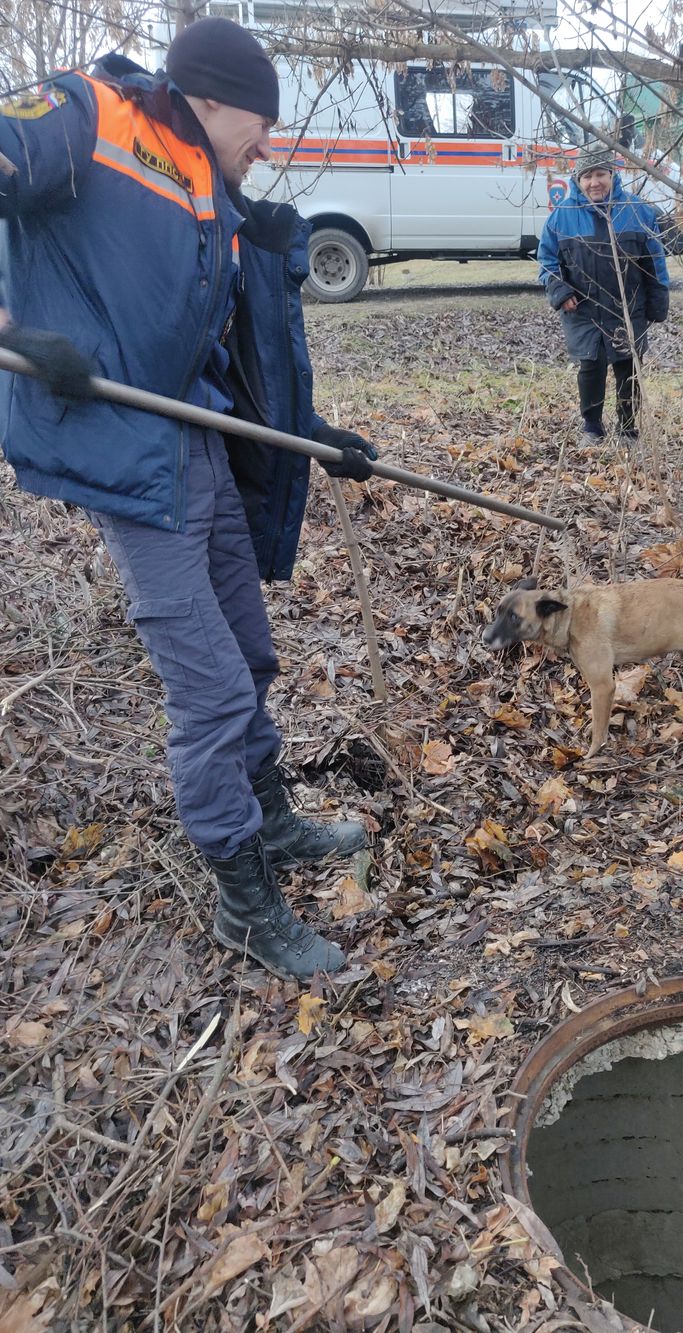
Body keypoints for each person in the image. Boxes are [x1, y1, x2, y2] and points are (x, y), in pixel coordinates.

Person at [0, 18, 378, 984]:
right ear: (212, 97)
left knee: (248, 648)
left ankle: (274, 818)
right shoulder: (89, 115)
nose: (269, 144)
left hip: (200, 435)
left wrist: (316, 432)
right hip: (130, 453)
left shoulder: (210, 180)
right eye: (262, 122)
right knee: (208, 684)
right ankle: (243, 898)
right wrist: (13, 329)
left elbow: (233, 347)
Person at [537, 143, 670, 444]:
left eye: (601, 174)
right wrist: (559, 290)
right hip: (583, 311)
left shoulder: (637, 212)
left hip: (627, 306)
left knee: (627, 367)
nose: (594, 182)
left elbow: (655, 261)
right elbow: (547, 261)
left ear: (613, 175)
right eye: (587, 176)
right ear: (578, 180)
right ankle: (592, 428)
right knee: (591, 365)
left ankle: (628, 429)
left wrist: (658, 297)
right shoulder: (561, 217)